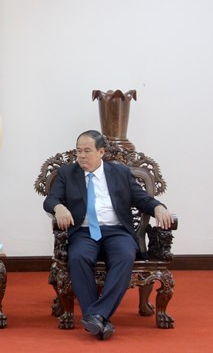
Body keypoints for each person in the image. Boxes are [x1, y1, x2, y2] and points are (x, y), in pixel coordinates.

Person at [43, 130, 173, 340]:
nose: (81, 156)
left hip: (116, 231)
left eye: (87, 151)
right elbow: (50, 200)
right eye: (78, 151)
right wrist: (58, 207)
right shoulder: (68, 173)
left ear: (101, 152)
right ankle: (99, 318)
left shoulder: (119, 173)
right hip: (84, 232)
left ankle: (96, 315)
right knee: (78, 257)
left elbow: (142, 199)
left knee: (124, 256)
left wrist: (158, 207)